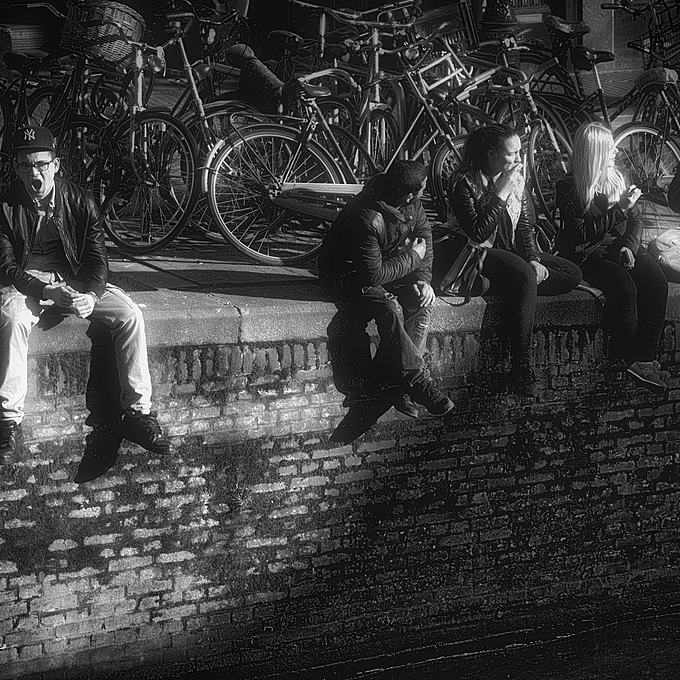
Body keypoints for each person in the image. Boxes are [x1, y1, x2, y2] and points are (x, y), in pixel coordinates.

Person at [0, 126, 173, 468]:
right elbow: (6, 268)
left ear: (55, 165)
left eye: (41, 164)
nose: (34, 174)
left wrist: (91, 296)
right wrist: (45, 290)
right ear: (16, 168)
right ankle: (8, 422)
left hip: (75, 279)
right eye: (25, 166)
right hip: (29, 284)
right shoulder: (4, 205)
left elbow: (98, 261)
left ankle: (139, 414)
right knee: (13, 318)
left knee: (130, 315)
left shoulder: (81, 201)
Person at [318, 160, 454, 438]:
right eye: (423, 188)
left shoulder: (412, 204)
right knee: (389, 307)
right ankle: (414, 379)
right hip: (347, 275)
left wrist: (422, 279)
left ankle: (398, 384)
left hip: (386, 266)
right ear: (409, 194)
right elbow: (373, 275)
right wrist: (413, 257)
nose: (426, 191)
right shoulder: (368, 217)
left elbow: (424, 237)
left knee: (420, 302)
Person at [446, 123, 582, 396]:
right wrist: (500, 193)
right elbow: (478, 232)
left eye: (520, 151)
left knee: (571, 274)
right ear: (491, 155)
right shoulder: (464, 183)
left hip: (508, 253)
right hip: (475, 253)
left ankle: (510, 285)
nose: (519, 159)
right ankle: (520, 368)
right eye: (512, 153)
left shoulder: (517, 179)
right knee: (523, 276)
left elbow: (525, 226)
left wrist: (533, 257)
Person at [555, 121, 669, 393]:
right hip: (590, 253)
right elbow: (582, 234)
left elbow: (636, 219)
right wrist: (619, 209)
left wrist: (630, 247)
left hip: (622, 247)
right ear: (595, 152)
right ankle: (632, 359)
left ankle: (646, 358)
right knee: (625, 289)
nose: (616, 152)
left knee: (656, 283)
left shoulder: (617, 177)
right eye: (610, 148)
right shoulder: (568, 187)